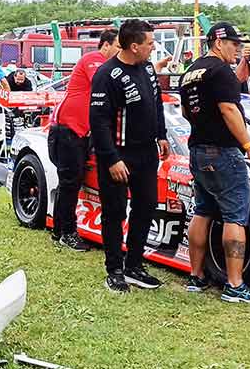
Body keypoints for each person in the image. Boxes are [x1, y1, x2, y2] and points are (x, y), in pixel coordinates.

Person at [179, 22, 250, 303]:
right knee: (235, 216)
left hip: (197, 150)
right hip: (224, 152)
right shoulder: (220, 71)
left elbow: (185, 111)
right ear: (219, 43)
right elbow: (229, 108)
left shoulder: (191, 71)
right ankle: (234, 284)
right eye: (233, 44)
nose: (237, 48)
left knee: (203, 210)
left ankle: (196, 276)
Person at [89, 20, 170, 293]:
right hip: (118, 155)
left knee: (146, 207)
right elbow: (98, 122)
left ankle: (134, 265)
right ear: (134, 46)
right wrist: (111, 159)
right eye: (149, 43)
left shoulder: (147, 68)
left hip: (146, 152)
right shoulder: (106, 74)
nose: (153, 47)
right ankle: (114, 270)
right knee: (114, 211)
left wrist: (161, 134)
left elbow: (156, 103)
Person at [48, 29, 119, 251]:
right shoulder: (93, 60)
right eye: (118, 46)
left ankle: (60, 229)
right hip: (68, 131)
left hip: (76, 132)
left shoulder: (106, 64)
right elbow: (104, 82)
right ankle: (67, 233)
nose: (119, 52)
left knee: (69, 183)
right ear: (105, 45)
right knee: (70, 183)